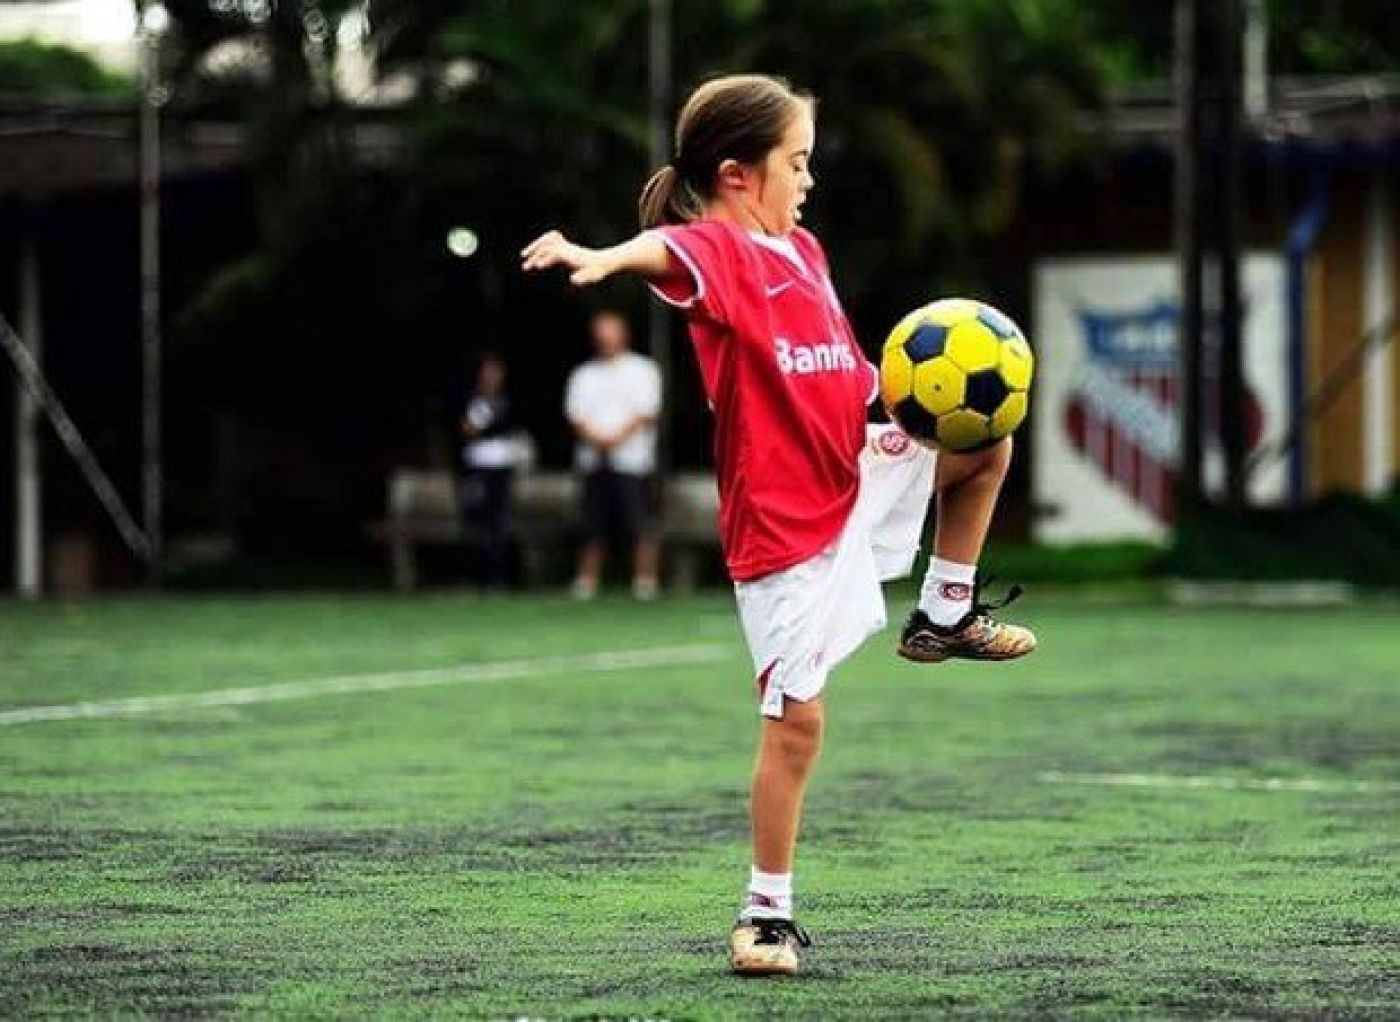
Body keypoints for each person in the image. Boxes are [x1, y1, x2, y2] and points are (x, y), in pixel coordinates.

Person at [522, 73, 1035, 977]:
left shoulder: (805, 250)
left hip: (852, 469)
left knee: (986, 444)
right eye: (795, 162)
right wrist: (602, 256)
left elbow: (842, 371)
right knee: (799, 724)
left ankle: (945, 611)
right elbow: (666, 251)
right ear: (737, 174)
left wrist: (904, 404)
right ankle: (764, 916)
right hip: (784, 526)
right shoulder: (723, 253)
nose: (808, 178)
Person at [563, 310, 663, 601]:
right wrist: (599, 440)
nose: (605, 340)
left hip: (633, 462)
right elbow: (575, 415)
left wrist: (615, 439)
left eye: (610, 333)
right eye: (601, 334)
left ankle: (645, 581)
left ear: (623, 335)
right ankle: (587, 580)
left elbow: (647, 412)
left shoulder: (643, 370)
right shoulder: (584, 374)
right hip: (594, 461)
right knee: (592, 524)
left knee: (641, 523)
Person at [459, 352, 522, 590]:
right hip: (479, 468)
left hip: (502, 468)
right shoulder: (473, 400)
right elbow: (469, 431)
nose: (492, 377)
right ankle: (479, 576)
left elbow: (513, 432)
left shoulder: (508, 401)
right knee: (479, 523)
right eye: (487, 372)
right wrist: (484, 422)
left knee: (501, 524)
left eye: (496, 372)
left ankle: (500, 578)